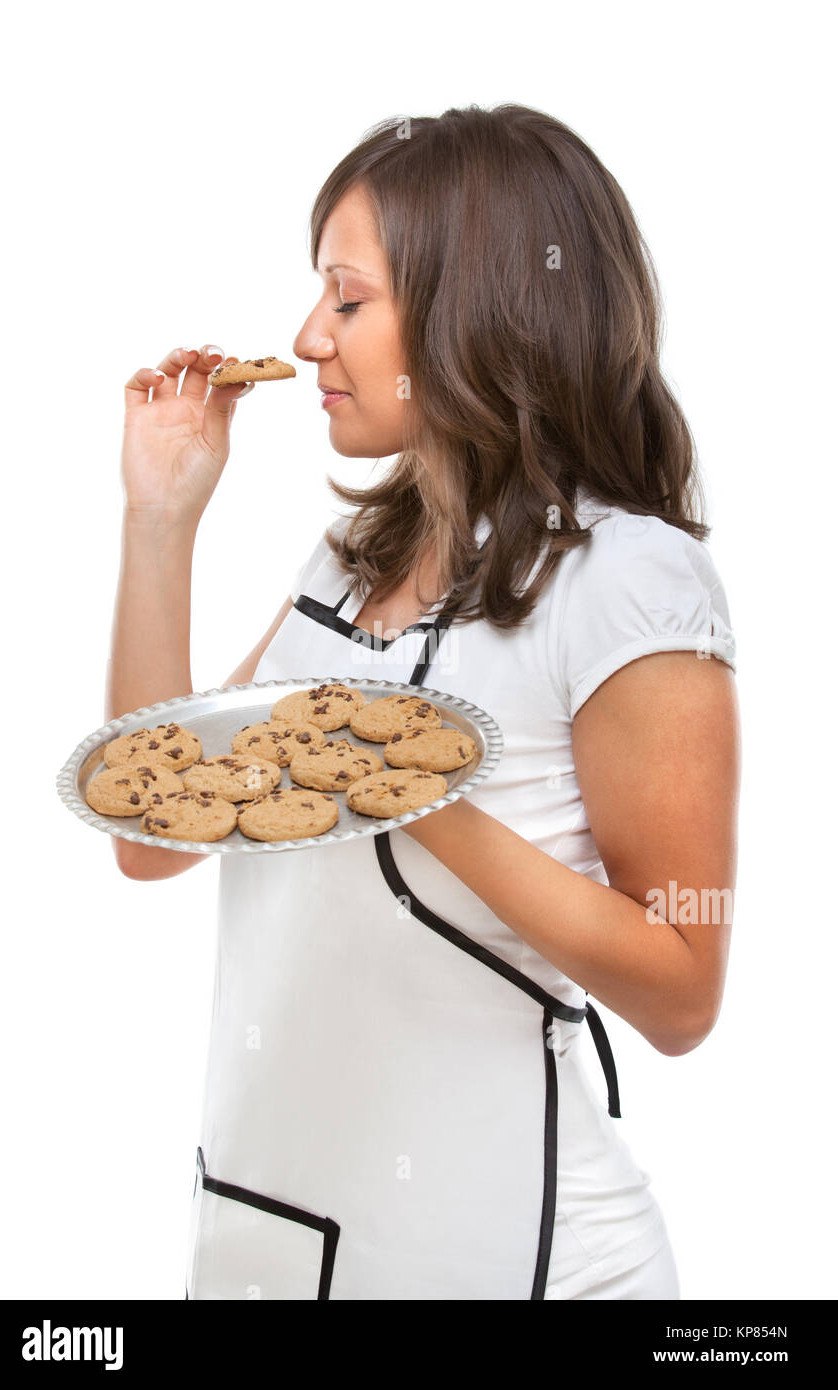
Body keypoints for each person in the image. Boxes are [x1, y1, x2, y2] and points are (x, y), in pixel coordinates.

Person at [107, 104, 740, 1300]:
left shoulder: (629, 582)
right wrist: (160, 519)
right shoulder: (352, 553)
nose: (304, 338)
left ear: (475, 311)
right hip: (271, 1229)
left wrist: (403, 793)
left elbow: (680, 987)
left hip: (518, 1255)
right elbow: (154, 833)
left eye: (347, 300)